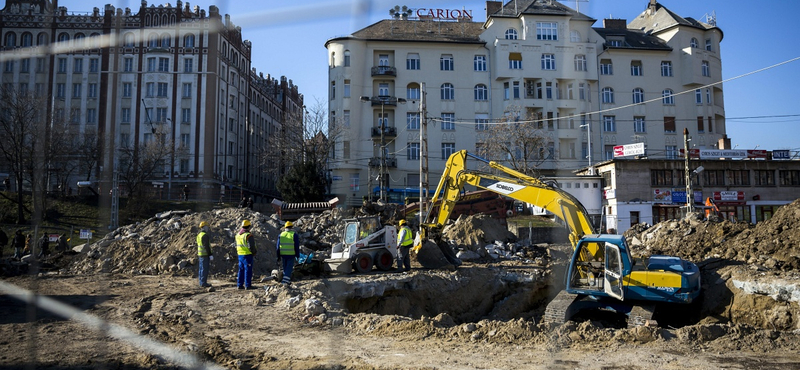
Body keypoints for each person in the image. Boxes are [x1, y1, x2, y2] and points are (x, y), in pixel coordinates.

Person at [235, 219, 256, 290]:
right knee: (248, 270)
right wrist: (254, 253)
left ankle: (239, 285)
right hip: (247, 255)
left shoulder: (238, 235)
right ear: (249, 226)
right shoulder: (248, 235)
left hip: (240, 254)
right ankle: (248, 285)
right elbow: (252, 246)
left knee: (241, 270)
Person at [277, 221, 299, 285]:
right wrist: (297, 255)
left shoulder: (281, 235)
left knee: (285, 267)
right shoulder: (294, 235)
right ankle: (285, 281)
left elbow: (278, 246)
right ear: (292, 227)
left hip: (283, 254)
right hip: (291, 254)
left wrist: (278, 256)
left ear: (285, 227)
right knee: (289, 268)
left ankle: (286, 280)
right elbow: (296, 246)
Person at [196, 221, 214, 288]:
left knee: (201, 269)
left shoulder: (199, 235)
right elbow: (206, 246)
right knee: (204, 269)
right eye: (207, 227)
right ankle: (203, 283)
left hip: (200, 254)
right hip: (205, 254)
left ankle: (201, 282)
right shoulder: (205, 235)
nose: (208, 228)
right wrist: (210, 255)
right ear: (204, 227)